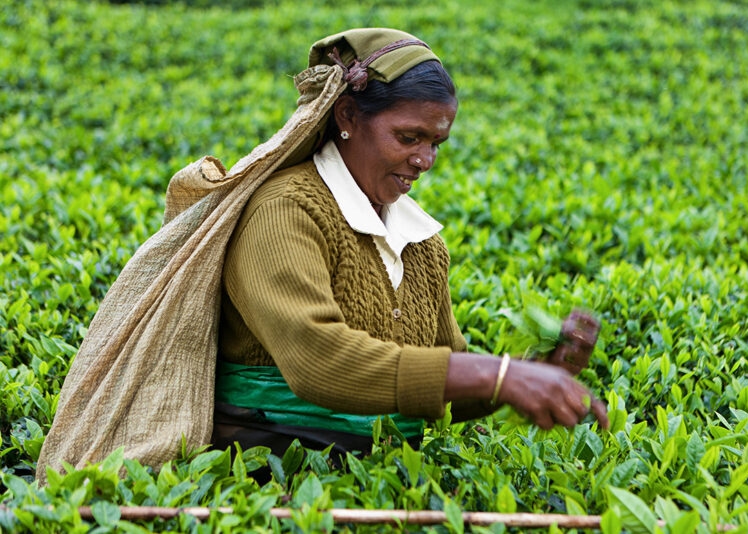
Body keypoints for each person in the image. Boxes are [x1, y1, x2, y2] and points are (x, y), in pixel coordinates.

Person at [209, 27, 608, 463]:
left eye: (435, 143)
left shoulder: (421, 243)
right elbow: (318, 360)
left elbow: (447, 381)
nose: (425, 161)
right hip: (275, 475)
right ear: (347, 116)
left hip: (385, 477)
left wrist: (538, 370)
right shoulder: (285, 210)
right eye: (408, 137)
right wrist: (501, 375)